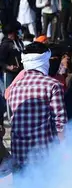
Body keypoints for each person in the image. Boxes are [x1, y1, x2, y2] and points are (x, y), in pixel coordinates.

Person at [7, 42, 66, 170]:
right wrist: (64, 151)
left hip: (18, 156)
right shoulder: (52, 85)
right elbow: (60, 123)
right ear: (45, 62)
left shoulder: (14, 87)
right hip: (43, 158)